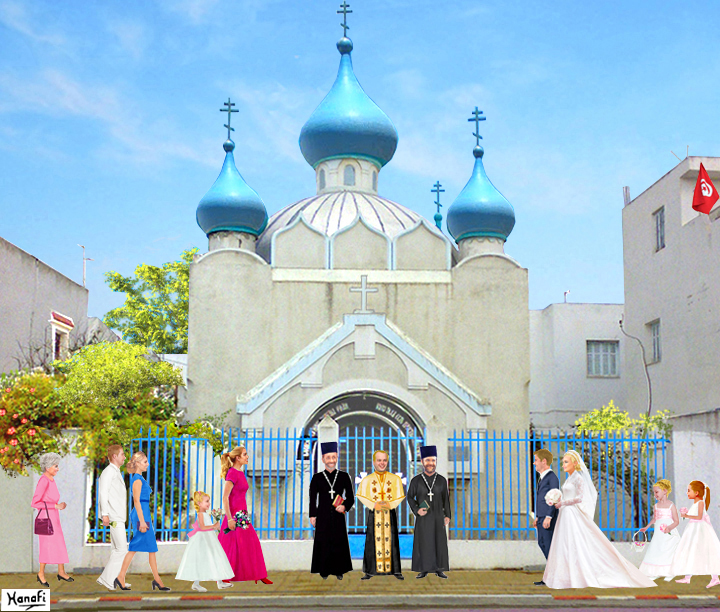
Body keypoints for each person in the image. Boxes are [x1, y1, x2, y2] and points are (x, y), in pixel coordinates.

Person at [543, 450, 656, 589]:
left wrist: (563, 503)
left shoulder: (578, 478)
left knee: (576, 542)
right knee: (565, 543)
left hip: (572, 513)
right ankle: (567, 575)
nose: (563, 464)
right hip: (565, 514)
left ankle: (580, 574)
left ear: (574, 463)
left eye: (566, 462)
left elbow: (580, 497)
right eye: (563, 462)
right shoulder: (569, 478)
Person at [115, 451, 169, 591]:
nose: (147, 464)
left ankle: (156, 580)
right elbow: (137, 501)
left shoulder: (139, 478)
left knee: (150, 548)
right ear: (138, 463)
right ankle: (122, 577)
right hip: (141, 515)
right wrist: (143, 521)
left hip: (144, 514)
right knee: (136, 547)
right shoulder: (137, 479)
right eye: (145, 462)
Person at [218, 446, 272, 584]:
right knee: (230, 546)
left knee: (250, 543)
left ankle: (258, 575)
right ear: (238, 457)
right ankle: (225, 575)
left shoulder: (240, 472)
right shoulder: (232, 473)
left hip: (242, 514)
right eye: (245, 454)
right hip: (234, 516)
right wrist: (229, 519)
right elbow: (225, 497)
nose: (247, 457)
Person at [356, 449, 406, 580]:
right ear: (374, 462)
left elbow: (400, 495)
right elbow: (360, 495)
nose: (382, 463)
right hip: (374, 514)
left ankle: (395, 570)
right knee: (372, 540)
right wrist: (373, 505)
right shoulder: (367, 480)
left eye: (384, 460)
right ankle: (370, 570)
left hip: (390, 513)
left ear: (387, 462)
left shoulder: (395, 479)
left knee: (392, 541)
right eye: (379, 460)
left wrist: (391, 504)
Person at [309, 441, 354, 580]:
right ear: (323, 459)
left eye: (334, 457)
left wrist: (345, 506)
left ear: (337, 458)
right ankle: (324, 570)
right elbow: (312, 498)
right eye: (328, 458)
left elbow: (351, 497)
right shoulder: (317, 478)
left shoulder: (344, 476)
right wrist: (312, 515)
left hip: (337, 515)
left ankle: (339, 570)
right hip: (322, 515)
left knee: (338, 541)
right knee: (323, 542)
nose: (331, 460)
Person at [406, 445, 450, 579]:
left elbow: (446, 499)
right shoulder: (416, 480)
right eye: (428, 460)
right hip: (423, 517)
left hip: (437, 516)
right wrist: (417, 510)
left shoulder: (441, 480)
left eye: (433, 460)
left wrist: (447, 515)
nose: (431, 463)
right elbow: (409, 497)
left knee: (438, 542)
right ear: (422, 462)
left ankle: (439, 569)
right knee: (424, 542)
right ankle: (423, 569)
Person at [176, 491, 234, 591]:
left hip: (209, 538)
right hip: (203, 540)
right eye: (206, 501)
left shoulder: (205, 514)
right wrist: (214, 526)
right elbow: (202, 527)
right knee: (203, 560)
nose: (209, 503)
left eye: (209, 501)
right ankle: (196, 583)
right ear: (199, 504)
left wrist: (215, 526)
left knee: (215, 557)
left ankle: (219, 582)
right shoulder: (200, 514)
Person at [31, 452, 72, 587]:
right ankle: (41, 573)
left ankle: (61, 571)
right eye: (55, 466)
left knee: (59, 544)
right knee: (46, 546)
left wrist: (59, 507)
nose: (57, 469)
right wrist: (56, 506)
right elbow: (35, 503)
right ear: (48, 467)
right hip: (46, 519)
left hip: (54, 517)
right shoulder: (43, 481)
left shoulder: (51, 480)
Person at [670, 480, 720, 588]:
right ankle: (687, 577)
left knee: (704, 551)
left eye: (689, 491)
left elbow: (699, 517)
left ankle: (715, 578)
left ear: (696, 492)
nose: (687, 493)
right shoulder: (696, 503)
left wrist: (686, 515)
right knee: (691, 550)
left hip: (699, 530)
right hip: (693, 529)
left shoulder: (700, 503)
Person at [97, 445, 131, 590]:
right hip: (114, 517)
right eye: (122, 454)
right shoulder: (108, 472)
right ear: (114, 456)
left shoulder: (114, 472)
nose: (124, 457)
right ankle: (106, 579)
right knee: (122, 550)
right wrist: (105, 513)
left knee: (117, 549)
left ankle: (117, 579)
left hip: (118, 516)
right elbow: (103, 493)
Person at [638, 479, 680, 581]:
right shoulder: (656, 506)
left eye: (657, 492)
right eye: (654, 493)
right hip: (659, 533)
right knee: (657, 550)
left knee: (669, 551)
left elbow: (676, 521)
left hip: (669, 534)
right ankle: (655, 572)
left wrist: (669, 528)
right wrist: (646, 527)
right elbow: (655, 519)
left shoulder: (671, 505)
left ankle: (670, 572)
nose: (655, 495)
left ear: (665, 491)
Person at [532, 448, 560, 586]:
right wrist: (538, 516)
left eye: (536, 460)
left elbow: (555, 496)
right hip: (542, 516)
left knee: (549, 546)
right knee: (542, 543)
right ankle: (552, 576)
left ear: (544, 461)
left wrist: (549, 516)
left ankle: (555, 577)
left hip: (548, 517)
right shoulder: (543, 478)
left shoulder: (552, 478)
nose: (534, 463)